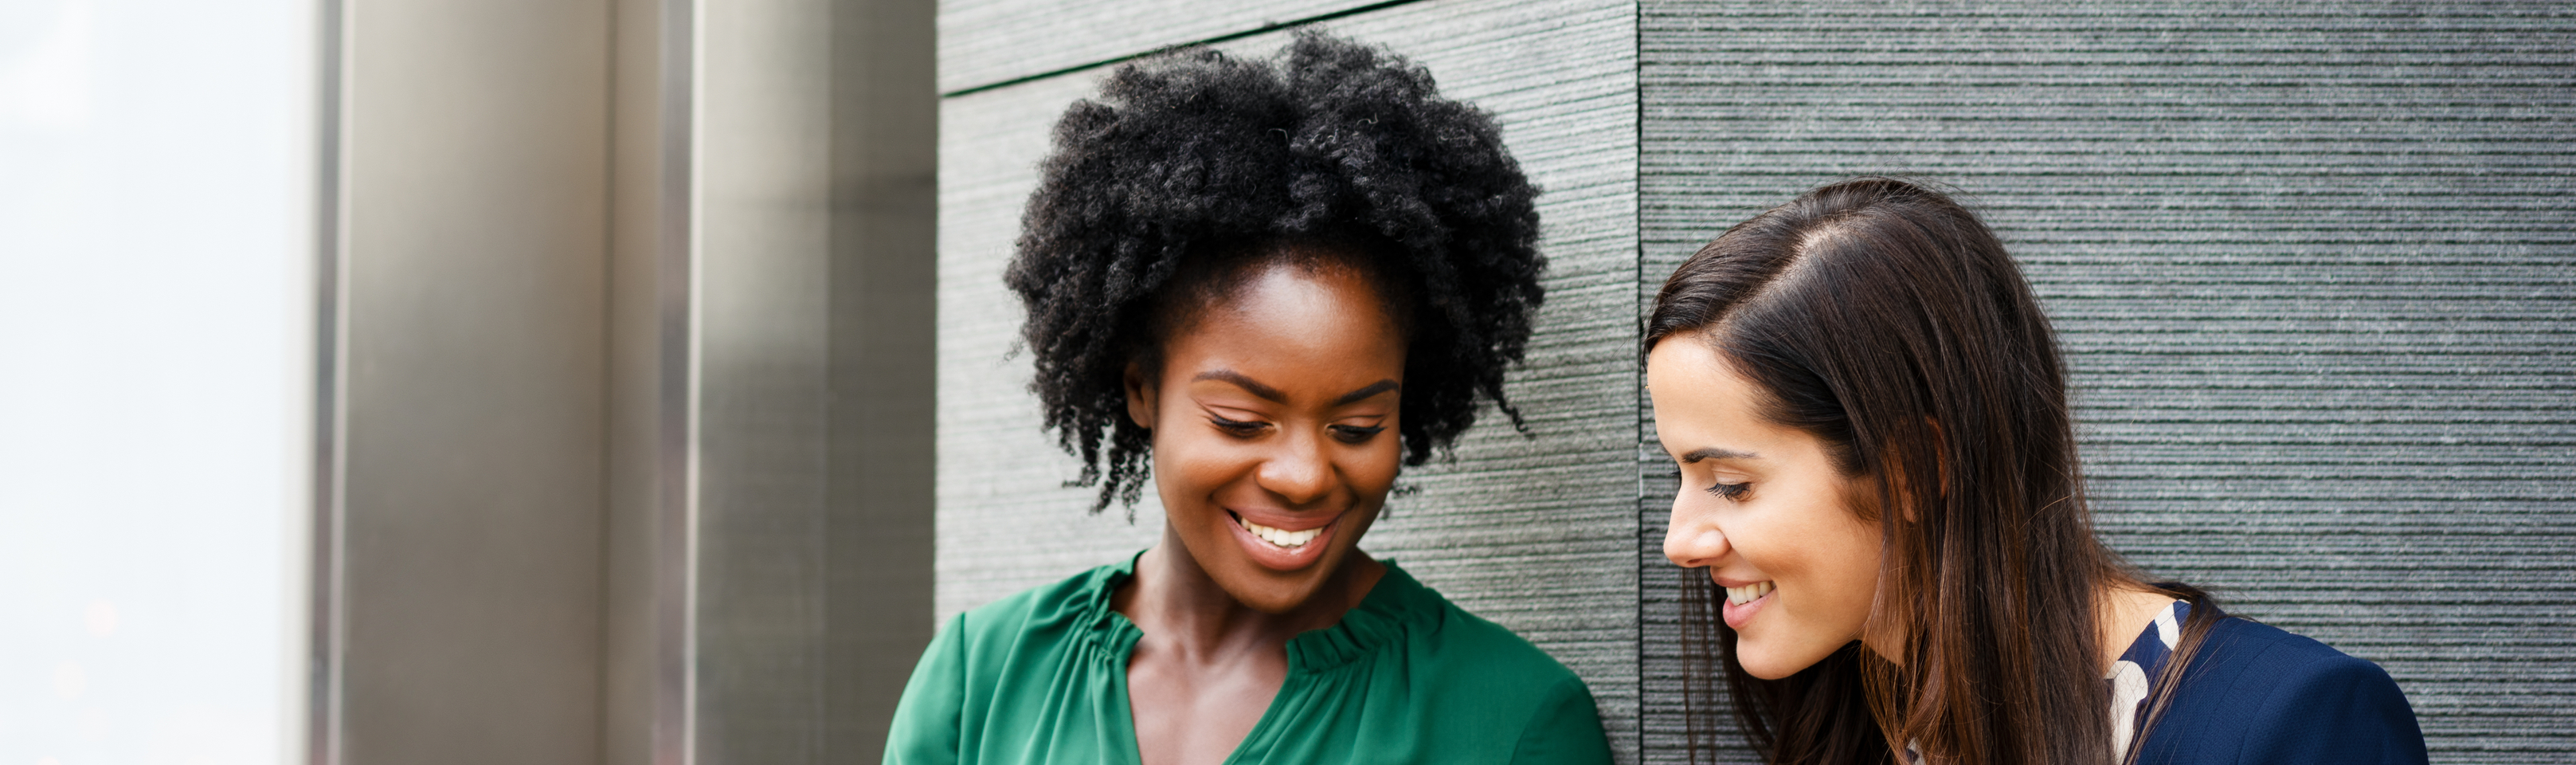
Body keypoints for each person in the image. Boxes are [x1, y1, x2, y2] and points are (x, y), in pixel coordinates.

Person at [883, 33, 1611, 765]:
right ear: (1142, 390)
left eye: (1357, 426)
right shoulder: (980, 681)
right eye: (1241, 421)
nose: (1302, 475)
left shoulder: (1511, 722)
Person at [1646, 177, 2425, 765]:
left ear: (1915, 468)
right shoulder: (1859, 728)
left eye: (1731, 483)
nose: (1680, 541)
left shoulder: (2289, 725)